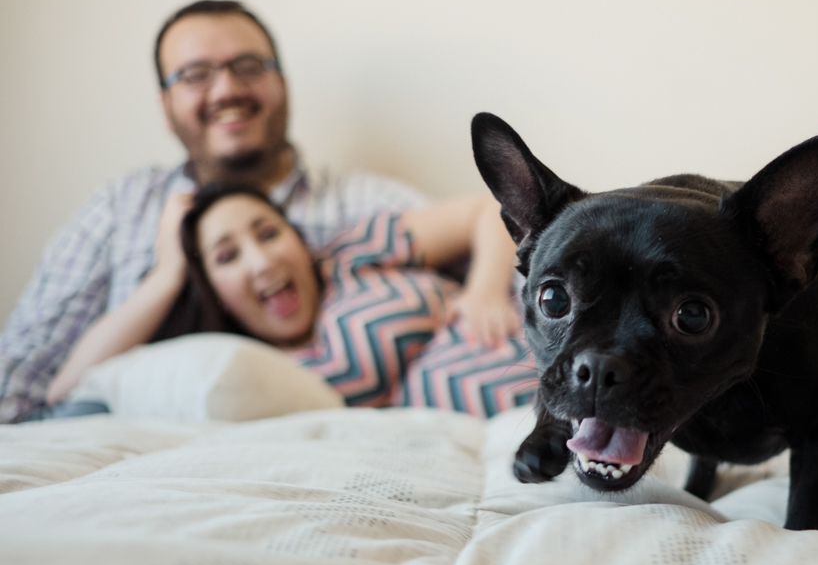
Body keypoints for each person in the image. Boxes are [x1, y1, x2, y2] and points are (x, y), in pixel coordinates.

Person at [0, 0, 437, 423]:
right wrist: (166, 277)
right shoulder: (120, 210)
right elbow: (18, 392)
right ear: (165, 107)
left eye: (248, 67)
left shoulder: (369, 206)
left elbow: (495, 270)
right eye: (195, 75)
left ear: (282, 83)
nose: (227, 89)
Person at [47, 183, 536, 417]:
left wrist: (483, 291)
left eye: (268, 233)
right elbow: (68, 390)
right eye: (226, 256)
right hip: (506, 443)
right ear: (211, 289)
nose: (261, 262)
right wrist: (168, 273)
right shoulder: (238, 369)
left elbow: (485, 211)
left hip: (550, 378)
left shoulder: (351, 254)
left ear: (298, 239)